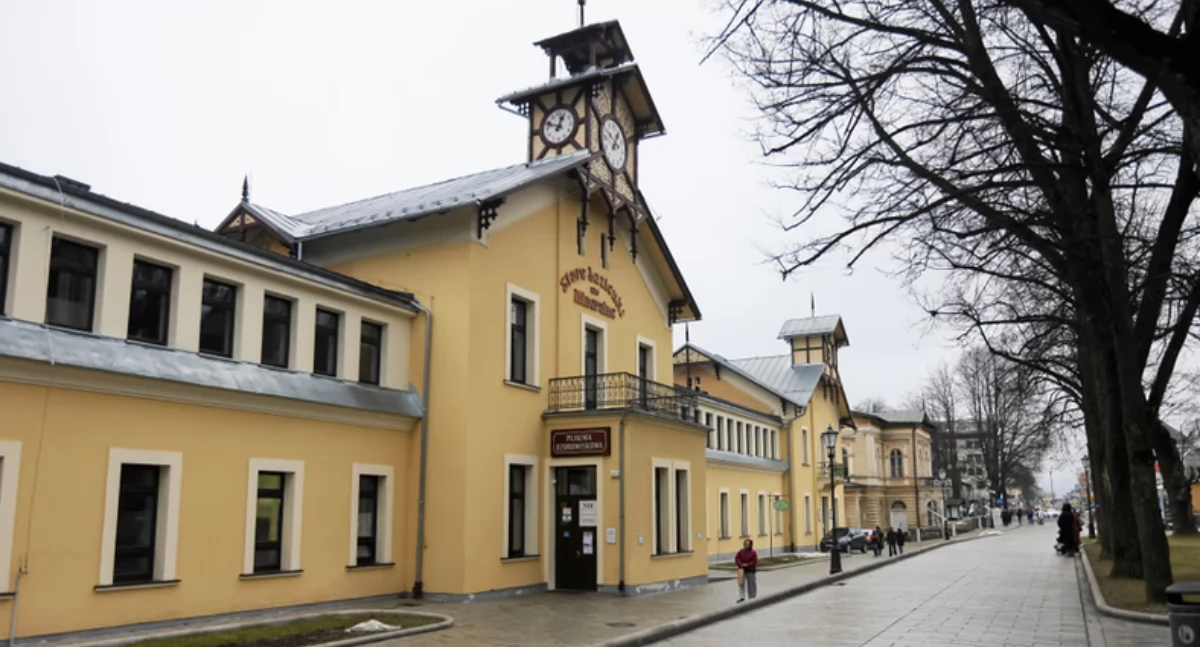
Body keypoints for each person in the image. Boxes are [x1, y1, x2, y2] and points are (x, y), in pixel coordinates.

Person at [734, 538, 758, 603]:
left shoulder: (753, 552)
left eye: (748, 544)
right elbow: (737, 558)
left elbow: (754, 561)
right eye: (745, 544)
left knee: (751, 584)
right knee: (741, 583)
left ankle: (752, 596)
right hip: (742, 570)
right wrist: (741, 564)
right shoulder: (741, 551)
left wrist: (747, 564)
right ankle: (741, 597)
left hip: (750, 570)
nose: (747, 545)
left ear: (750, 545)